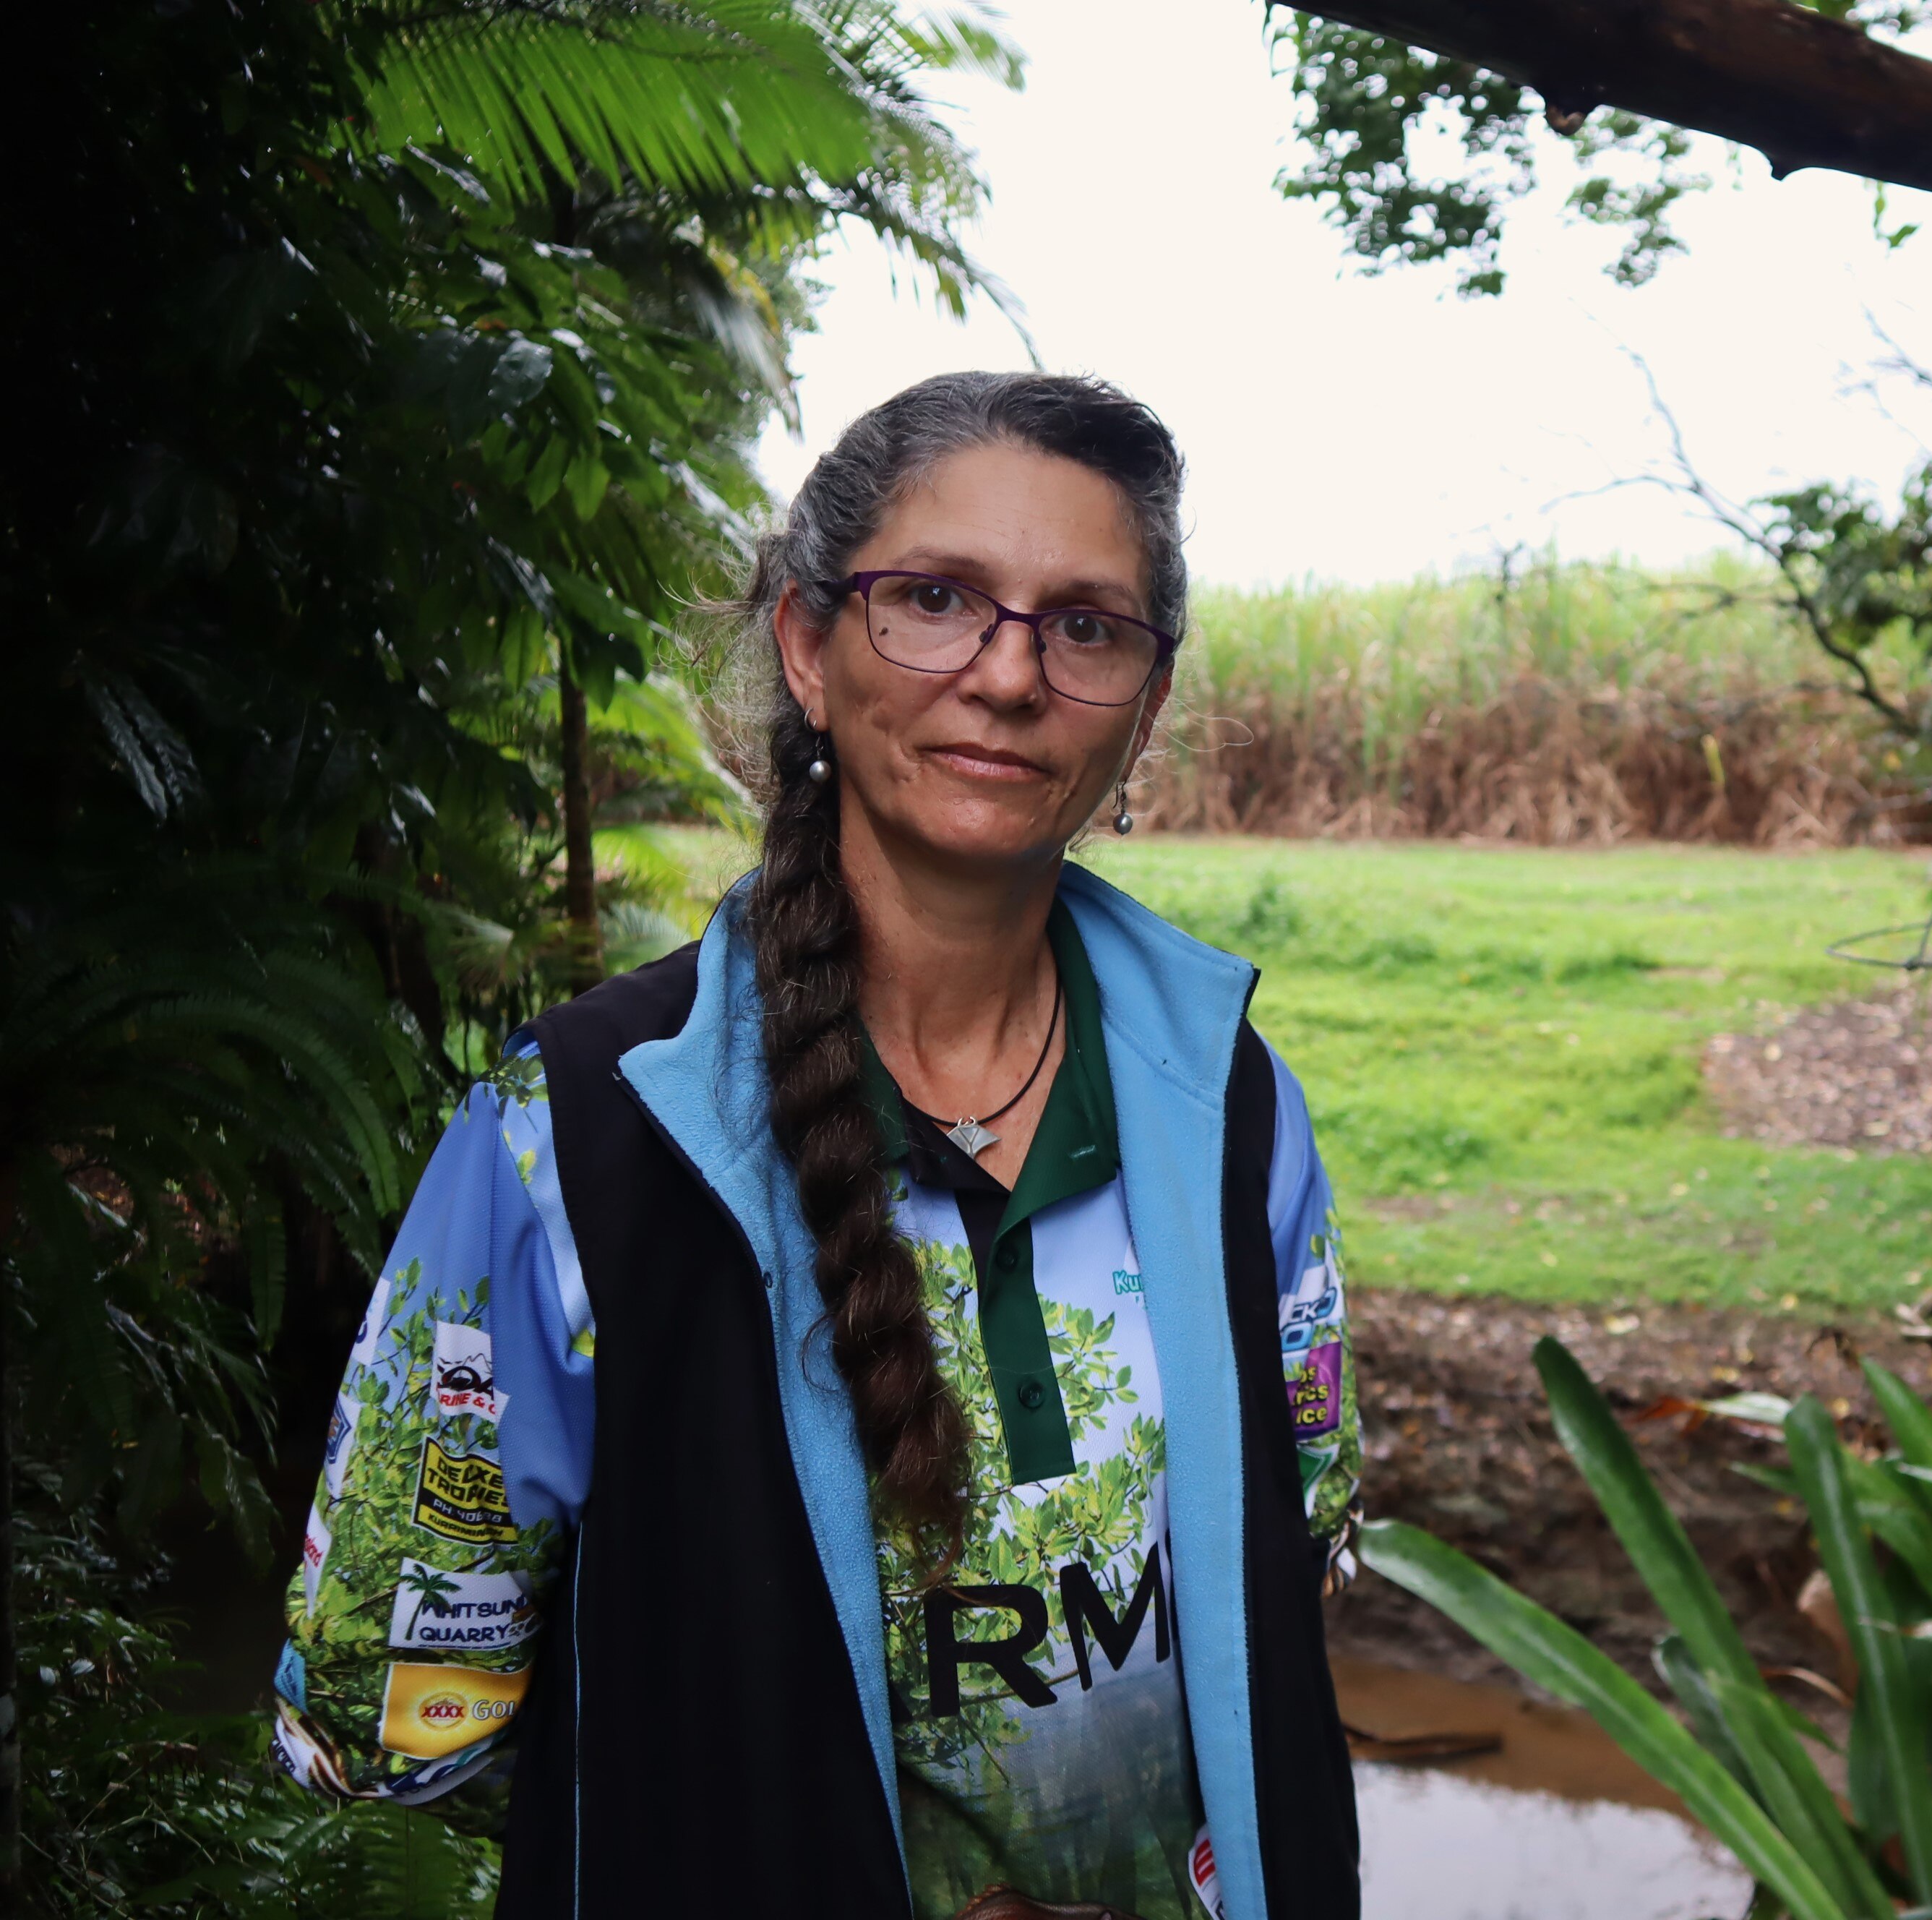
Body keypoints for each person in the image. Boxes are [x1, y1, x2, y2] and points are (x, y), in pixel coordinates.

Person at [270, 373, 1364, 1920]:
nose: (1008, 674)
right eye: (934, 598)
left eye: (1086, 625)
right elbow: (378, 1712)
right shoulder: (575, 1136)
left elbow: (1297, 1563)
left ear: (1149, 700)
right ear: (807, 643)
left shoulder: (1233, 1107)